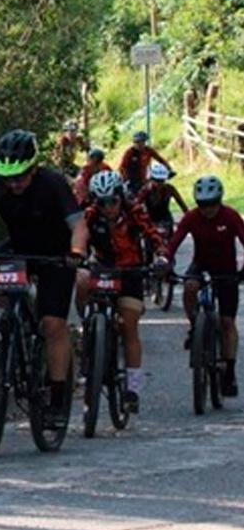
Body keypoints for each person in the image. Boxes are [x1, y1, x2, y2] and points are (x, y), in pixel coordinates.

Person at [0, 129, 89, 429]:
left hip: (56, 255)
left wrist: (76, 251)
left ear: (34, 168)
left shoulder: (52, 184)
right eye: (7, 178)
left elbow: (78, 226)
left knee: (53, 325)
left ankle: (58, 395)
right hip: (19, 248)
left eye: (19, 177)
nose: (13, 184)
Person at [75, 170, 168, 414]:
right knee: (81, 281)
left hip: (131, 273)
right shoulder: (90, 215)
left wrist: (160, 255)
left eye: (112, 201)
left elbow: (153, 234)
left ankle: (133, 388)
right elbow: (77, 238)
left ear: (120, 197)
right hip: (103, 269)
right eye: (102, 202)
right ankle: (88, 325)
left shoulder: (134, 211)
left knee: (129, 327)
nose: (108, 208)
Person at [165, 175, 243, 397]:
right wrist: (165, 261)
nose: (207, 209)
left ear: (219, 200)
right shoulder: (192, 218)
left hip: (227, 269)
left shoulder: (231, 216)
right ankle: (194, 326)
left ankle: (229, 371)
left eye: (211, 204)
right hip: (201, 264)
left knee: (228, 322)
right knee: (189, 286)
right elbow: (174, 242)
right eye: (202, 204)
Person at [136, 162, 188, 238]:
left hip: (165, 220)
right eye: (156, 180)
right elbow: (136, 204)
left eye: (161, 181)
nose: (159, 184)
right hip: (150, 220)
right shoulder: (145, 190)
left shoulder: (170, 189)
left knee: (170, 241)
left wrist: (188, 217)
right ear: (151, 179)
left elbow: (182, 205)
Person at [118, 131, 173, 197]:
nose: (140, 145)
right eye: (137, 142)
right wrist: (125, 179)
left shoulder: (148, 150)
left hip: (145, 178)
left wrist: (169, 168)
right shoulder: (130, 152)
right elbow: (122, 167)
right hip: (132, 179)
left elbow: (160, 159)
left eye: (142, 142)